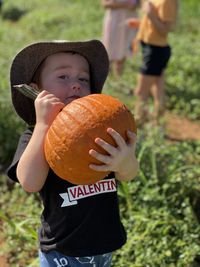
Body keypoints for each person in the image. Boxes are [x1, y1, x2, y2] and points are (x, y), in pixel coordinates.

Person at [7, 39, 139, 267]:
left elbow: (128, 174)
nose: (76, 84)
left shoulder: (106, 128)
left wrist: (125, 162)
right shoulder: (35, 136)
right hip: (62, 252)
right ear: (37, 90)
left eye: (83, 79)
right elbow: (30, 182)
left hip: (103, 247)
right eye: (63, 77)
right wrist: (43, 126)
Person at [133, 0, 178, 125]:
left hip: (155, 51)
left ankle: (138, 122)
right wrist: (140, 24)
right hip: (150, 47)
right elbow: (152, 26)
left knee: (141, 91)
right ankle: (157, 123)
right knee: (158, 90)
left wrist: (151, 15)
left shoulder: (167, 2)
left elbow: (165, 30)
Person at [101, 0, 140, 76]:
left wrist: (135, 5)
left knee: (123, 51)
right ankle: (106, 77)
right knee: (110, 50)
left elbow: (139, 3)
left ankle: (118, 79)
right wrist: (125, 4)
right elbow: (105, 4)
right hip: (115, 21)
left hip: (129, 21)